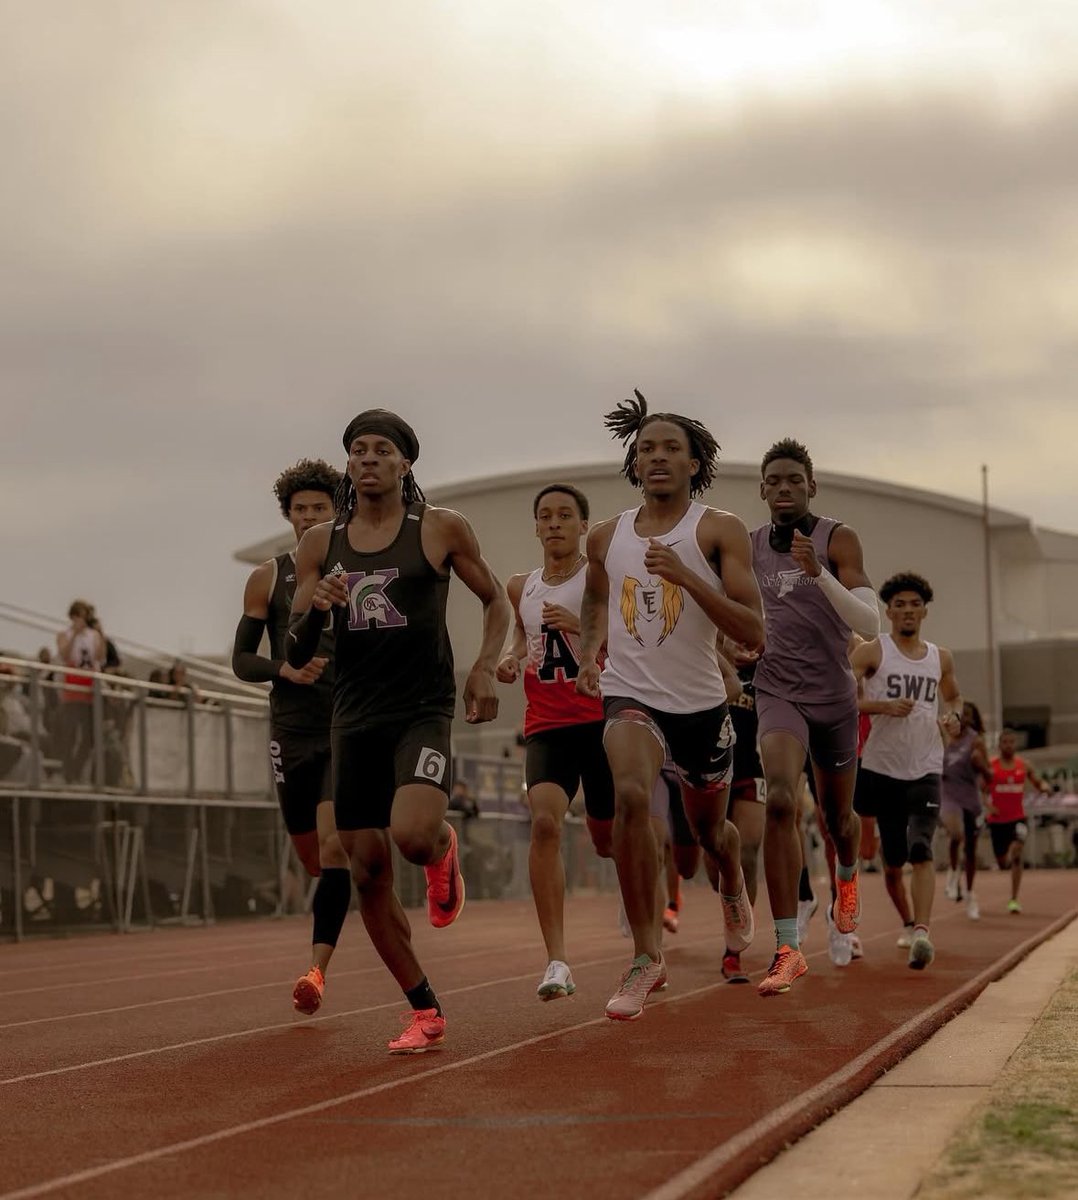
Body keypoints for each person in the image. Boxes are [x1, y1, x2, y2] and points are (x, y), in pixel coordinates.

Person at [287, 408, 510, 1053]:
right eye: (358, 450)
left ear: (406, 462)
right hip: (352, 718)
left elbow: (495, 599)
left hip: (420, 709)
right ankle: (425, 1009)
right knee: (367, 871)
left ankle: (442, 849)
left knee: (410, 837)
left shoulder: (439, 528)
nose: (369, 459)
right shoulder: (319, 546)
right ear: (347, 464)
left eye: (382, 449)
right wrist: (319, 607)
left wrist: (485, 671)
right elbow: (298, 651)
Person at [577, 390, 763, 1021]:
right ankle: (646, 955)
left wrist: (685, 576)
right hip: (630, 692)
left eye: (670, 449)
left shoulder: (718, 530)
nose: (656, 457)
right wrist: (587, 653)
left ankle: (731, 882)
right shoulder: (604, 537)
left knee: (711, 832)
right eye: (646, 449)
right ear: (634, 464)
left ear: (693, 463)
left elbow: (753, 630)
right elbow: (598, 602)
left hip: (702, 705)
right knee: (631, 796)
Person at [750, 438, 880, 996]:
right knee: (779, 798)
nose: (783, 489)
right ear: (762, 490)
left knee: (838, 820)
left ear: (811, 486)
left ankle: (845, 879)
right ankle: (787, 946)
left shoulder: (836, 538)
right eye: (773, 481)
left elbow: (870, 624)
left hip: (834, 699)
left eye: (793, 481)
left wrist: (818, 572)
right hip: (777, 692)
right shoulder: (747, 545)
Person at [232, 457, 353, 1015]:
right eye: (300, 509)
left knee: (334, 848)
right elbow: (240, 660)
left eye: (320, 508)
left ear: (337, 511)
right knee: (311, 856)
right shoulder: (267, 577)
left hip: (345, 722)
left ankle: (316, 971)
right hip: (291, 729)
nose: (309, 517)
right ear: (288, 514)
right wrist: (284, 668)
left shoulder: (358, 567)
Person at [496, 483, 615, 1001]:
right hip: (547, 722)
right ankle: (557, 960)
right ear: (536, 525)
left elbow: (630, 634)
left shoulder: (600, 577)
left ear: (584, 525)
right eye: (546, 515)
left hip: (603, 715)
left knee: (611, 840)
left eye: (566, 514)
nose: (555, 523)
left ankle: (647, 938)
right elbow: (522, 638)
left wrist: (585, 630)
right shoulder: (521, 586)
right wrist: (506, 657)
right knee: (544, 822)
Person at [850, 572, 963, 969]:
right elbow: (839, 695)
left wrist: (954, 718)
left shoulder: (940, 657)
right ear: (889, 611)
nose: (908, 611)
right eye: (900, 605)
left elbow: (954, 699)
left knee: (921, 846)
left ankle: (923, 934)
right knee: (893, 860)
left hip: (926, 767)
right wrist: (881, 706)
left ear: (925, 611)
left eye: (914, 604)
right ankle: (908, 920)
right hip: (881, 767)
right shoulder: (873, 652)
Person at [986, 728, 1051, 914]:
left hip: (1017, 817)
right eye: (1005, 742)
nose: (1008, 746)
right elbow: (980, 790)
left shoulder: (1024, 765)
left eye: (1012, 742)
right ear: (999, 745)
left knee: (1017, 852)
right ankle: (1003, 860)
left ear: (1016, 744)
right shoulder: (991, 766)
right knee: (1002, 862)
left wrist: (1045, 788)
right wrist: (988, 806)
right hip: (997, 821)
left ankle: (1014, 898)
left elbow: (1039, 783)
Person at [940, 701, 992, 920]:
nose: (965, 718)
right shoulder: (945, 737)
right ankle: (952, 875)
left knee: (970, 849)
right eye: (962, 714)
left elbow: (989, 776)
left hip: (970, 797)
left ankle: (970, 895)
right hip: (948, 794)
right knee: (955, 833)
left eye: (969, 715)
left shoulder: (976, 741)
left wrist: (980, 764)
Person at [56, 599, 106, 783]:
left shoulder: (94, 635)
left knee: (89, 737)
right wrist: (75, 635)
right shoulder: (65, 634)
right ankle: (68, 772)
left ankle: (76, 769)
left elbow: (100, 656)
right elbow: (64, 654)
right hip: (72, 690)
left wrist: (101, 633)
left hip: (89, 690)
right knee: (69, 734)